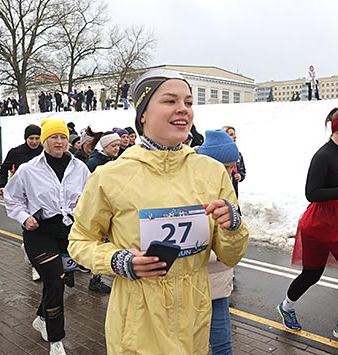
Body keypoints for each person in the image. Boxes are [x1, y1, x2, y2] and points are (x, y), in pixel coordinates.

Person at [68, 69, 249, 355]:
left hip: (195, 319)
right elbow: (79, 242)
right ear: (143, 114)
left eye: (188, 102)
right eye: (169, 101)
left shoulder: (211, 172)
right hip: (137, 323)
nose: (183, 109)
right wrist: (119, 260)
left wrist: (232, 225)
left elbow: (231, 255)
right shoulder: (110, 176)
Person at [277, 108, 338, 347]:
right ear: (336, 128)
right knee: (312, 274)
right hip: (319, 224)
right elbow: (312, 193)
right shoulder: (323, 156)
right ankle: (286, 307)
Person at [4, 119, 90, 355]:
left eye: (63, 137)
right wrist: (24, 217)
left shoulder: (80, 168)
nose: (59, 142)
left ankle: (42, 318)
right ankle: (56, 340)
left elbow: (92, 196)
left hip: (68, 233)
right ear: (44, 140)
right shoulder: (28, 169)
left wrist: (85, 205)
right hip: (39, 231)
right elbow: (12, 198)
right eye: (54, 137)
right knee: (53, 281)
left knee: (59, 280)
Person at [198, 129, 240, 355]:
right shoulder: (194, 184)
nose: (228, 172)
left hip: (219, 272)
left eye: (231, 167)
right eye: (224, 166)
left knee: (222, 338)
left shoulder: (226, 185)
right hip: (196, 271)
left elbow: (235, 228)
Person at [0, 124, 43, 282]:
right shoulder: (16, 152)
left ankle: (30, 250)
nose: (34, 142)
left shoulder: (45, 151)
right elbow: (4, 168)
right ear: (26, 138)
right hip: (24, 195)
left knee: (42, 229)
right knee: (30, 227)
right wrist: (2, 185)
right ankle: (35, 266)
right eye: (31, 138)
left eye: (37, 138)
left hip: (43, 195)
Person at [222, 126, 246, 198]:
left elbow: (242, 170)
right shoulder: (219, 154)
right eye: (231, 135)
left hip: (234, 193)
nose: (235, 136)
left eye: (234, 134)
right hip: (222, 193)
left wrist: (240, 176)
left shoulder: (238, 154)